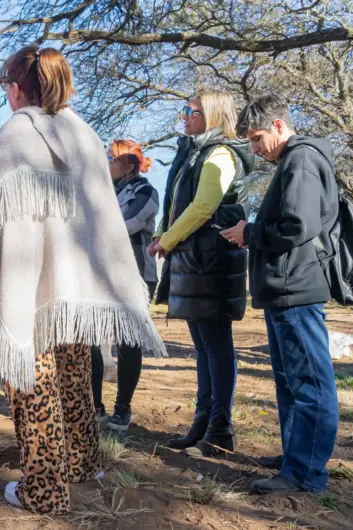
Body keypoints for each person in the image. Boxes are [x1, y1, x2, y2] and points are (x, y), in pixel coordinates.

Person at [0, 46, 166, 514]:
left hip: (26, 275)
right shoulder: (83, 131)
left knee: (31, 376)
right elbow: (101, 215)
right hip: (73, 279)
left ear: (17, 87)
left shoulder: (18, 130)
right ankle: (82, 464)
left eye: (8, 86)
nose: (6, 94)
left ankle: (44, 490)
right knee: (71, 372)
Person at [222, 95, 339, 494]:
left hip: (297, 288)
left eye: (256, 139)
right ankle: (296, 457)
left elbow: (296, 226)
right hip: (285, 288)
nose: (254, 149)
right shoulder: (292, 161)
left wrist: (249, 234)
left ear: (277, 125)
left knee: (310, 384)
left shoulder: (301, 160)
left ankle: (305, 475)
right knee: (290, 381)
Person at [149, 89, 253, 456]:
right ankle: (203, 420)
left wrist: (169, 239)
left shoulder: (220, 154)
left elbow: (204, 206)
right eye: (184, 110)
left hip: (212, 261)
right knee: (203, 345)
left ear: (212, 115)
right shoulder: (195, 152)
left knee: (215, 344)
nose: (184, 116)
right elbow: (179, 204)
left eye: (191, 110)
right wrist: (165, 233)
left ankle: (220, 428)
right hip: (195, 261)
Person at [91, 140, 159, 431]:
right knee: (89, 337)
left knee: (128, 343)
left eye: (111, 159)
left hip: (135, 276)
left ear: (129, 164)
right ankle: (94, 406)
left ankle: (122, 408)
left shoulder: (146, 191)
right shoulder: (98, 190)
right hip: (98, 274)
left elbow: (128, 223)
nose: (105, 164)